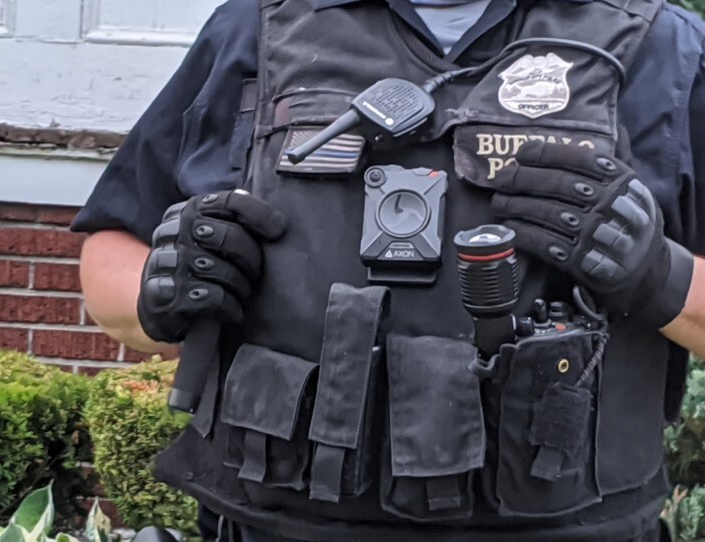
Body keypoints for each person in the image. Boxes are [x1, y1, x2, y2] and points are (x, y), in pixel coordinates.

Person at [72, 0, 705, 540]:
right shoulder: (260, 26)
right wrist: (166, 289)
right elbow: (110, 263)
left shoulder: (661, 46)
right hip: (280, 517)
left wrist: (656, 275)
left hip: (567, 521)